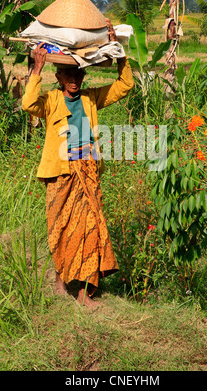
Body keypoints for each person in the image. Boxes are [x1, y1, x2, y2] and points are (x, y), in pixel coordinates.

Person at [22, 21, 134, 309]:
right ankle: (60, 282)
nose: (75, 79)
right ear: (58, 76)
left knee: (88, 228)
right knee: (59, 227)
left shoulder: (90, 98)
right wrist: (36, 70)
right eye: (69, 74)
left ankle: (84, 293)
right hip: (60, 174)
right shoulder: (50, 100)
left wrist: (119, 52)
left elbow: (125, 85)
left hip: (88, 170)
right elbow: (28, 104)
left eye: (79, 74)